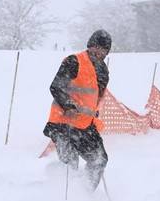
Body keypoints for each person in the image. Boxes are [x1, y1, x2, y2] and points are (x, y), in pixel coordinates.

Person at [43, 30, 111, 191]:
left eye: (104, 50)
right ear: (90, 46)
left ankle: (84, 195)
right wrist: (68, 105)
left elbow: (95, 97)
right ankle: (63, 199)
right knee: (70, 162)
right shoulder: (74, 61)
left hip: (85, 125)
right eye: (97, 48)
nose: (100, 52)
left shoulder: (103, 71)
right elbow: (56, 87)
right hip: (62, 123)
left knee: (99, 160)